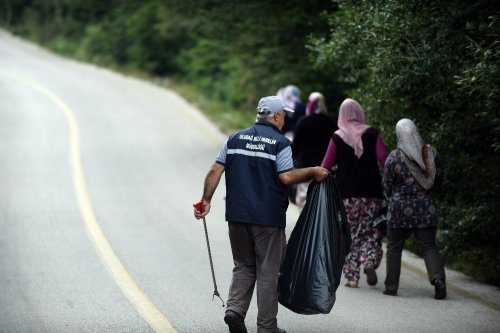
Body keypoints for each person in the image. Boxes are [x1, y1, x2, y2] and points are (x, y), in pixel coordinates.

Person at [193, 95, 329, 333]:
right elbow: (286, 177)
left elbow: (216, 169)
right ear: (276, 116)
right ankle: (267, 327)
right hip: (267, 218)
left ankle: (234, 310)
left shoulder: (235, 138)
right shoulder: (280, 143)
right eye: (283, 115)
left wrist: (206, 200)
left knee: (244, 265)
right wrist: (313, 171)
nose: (285, 119)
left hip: (236, 215)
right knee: (268, 272)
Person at [320, 98, 388, 288]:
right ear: (359, 112)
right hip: (372, 193)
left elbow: (325, 165)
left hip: (346, 194)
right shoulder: (372, 133)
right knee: (371, 230)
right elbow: (383, 158)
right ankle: (369, 261)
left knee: (348, 233)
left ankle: (352, 277)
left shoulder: (338, 137)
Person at [382, 118, 446, 299]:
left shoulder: (394, 157)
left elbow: (386, 184)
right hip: (427, 209)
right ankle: (439, 280)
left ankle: (391, 287)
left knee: (394, 247)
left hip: (399, 211)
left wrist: (395, 196)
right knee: (428, 246)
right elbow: (438, 179)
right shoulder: (431, 154)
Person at [291, 92, 338, 210]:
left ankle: (304, 227)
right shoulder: (331, 122)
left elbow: (295, 146)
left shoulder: (303, 121)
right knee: (322, 204)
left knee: (304, 203)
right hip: (324, 169)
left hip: (304, 169)